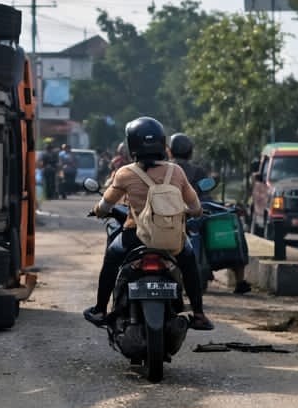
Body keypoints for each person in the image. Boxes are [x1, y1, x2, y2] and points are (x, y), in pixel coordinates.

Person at [84, 117, 213, 331]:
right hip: (171, 239)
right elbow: (195, 205)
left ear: (131, 144)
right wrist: (195, 212)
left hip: (135, 237)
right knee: (190, 263)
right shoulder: (176, 172)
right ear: (162, 143)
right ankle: (199, 314)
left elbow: (106, 204)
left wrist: (98, 211)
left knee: (111, 259)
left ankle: (100, 310)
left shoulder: (125, 173)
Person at [170, 132, 250, 295]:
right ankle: (240, 280)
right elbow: (205, 194)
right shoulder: (196, 171)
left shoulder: (164, 170)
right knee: (233, 229)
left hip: (174, 214)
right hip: (195, 213)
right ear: (190, 151)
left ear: (170, 151)